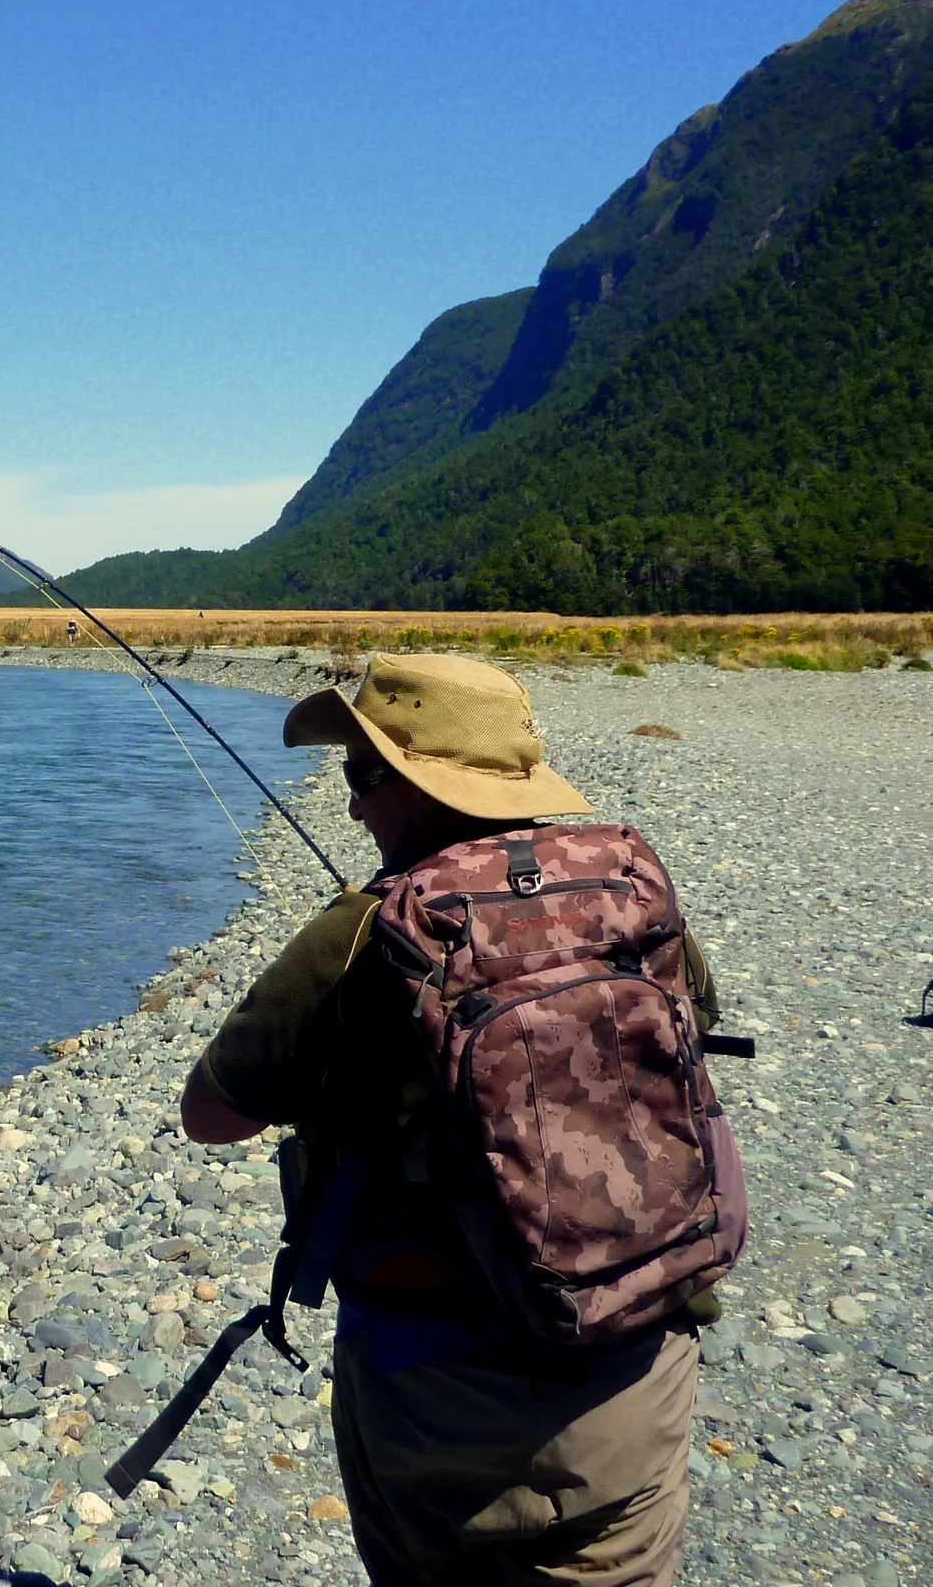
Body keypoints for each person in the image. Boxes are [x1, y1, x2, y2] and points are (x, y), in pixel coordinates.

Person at [180, 653, 722, 1587]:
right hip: (641, 1357)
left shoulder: (362, 930)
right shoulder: (628, 892)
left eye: (361, 773)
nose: (351, 806)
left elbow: (211, 1115)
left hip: (434, 1387)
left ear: (415, 784)